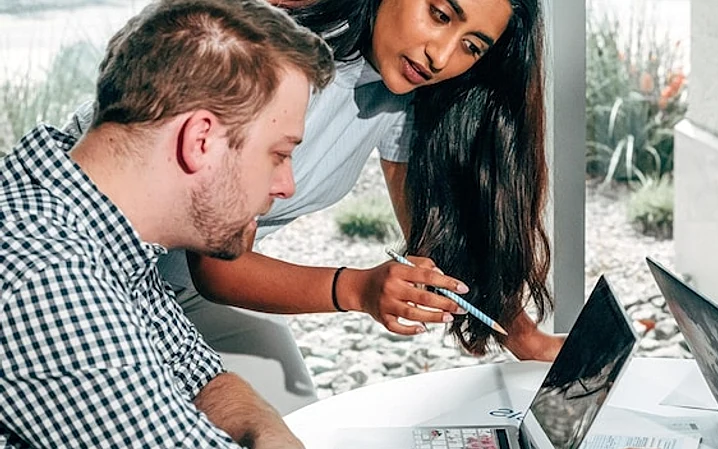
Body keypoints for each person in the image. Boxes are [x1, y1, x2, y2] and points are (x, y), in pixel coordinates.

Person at [64, 0, 563, 411]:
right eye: (439, 14)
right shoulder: (274, 48)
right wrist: (358, 289)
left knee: (296, 418)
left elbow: (438, 241)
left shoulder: (401, 91)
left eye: (471, 46)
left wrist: (527, 338)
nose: (440, 55)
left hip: (171, 288)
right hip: (88, 263)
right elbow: (217, 270)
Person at [0, 0, 333, 448]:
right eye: (279, 154)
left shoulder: (101, 222)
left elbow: (200, 373)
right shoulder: (51, 276)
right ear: (199, 141)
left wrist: (266, 429)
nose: (287, 185)